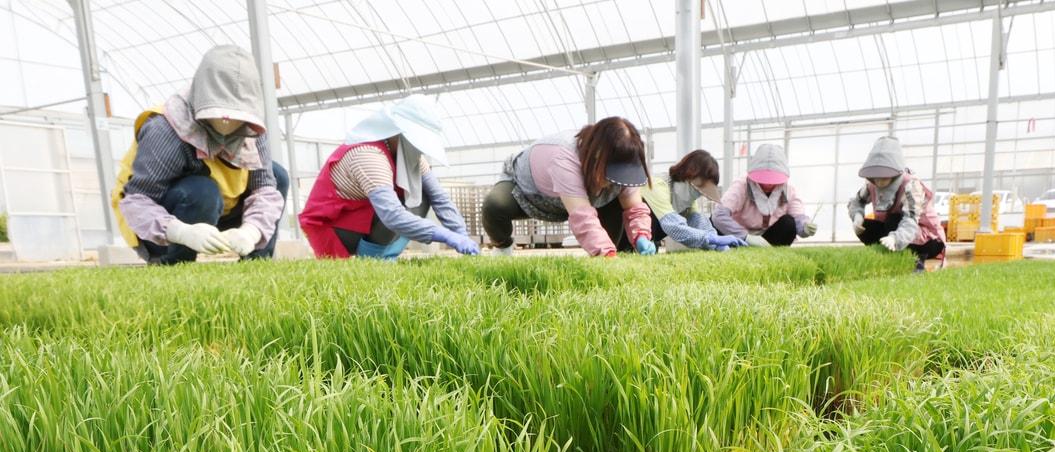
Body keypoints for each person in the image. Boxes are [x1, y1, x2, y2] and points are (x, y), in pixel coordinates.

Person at [111, 45, 287, 265]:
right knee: (201, 191)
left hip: (222, 208)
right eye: (218, 111)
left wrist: (251, 231)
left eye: (235, 114)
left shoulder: (251, 129)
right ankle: (174, 264)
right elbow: (137, 201)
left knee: (277, 175)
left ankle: (257, 263)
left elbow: (265, 190)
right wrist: (180, 231)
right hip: (166, 219)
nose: (226, 120)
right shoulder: (165, 129)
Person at [299, 95, 478, 259]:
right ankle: (373, 261)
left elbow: (439, 197)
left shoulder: (410, 158)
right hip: (336, 226)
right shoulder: (368, 155)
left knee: (422, 194)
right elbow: (392, 215)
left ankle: (385, 256)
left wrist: (461, 234)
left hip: (366, 218)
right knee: (396, 208)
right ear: (397, 132)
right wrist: (445, 235)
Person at [482, 117, 654, 257]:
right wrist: (604, 252)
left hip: (582, 200)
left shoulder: (625, 160)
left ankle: (607, 256)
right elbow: (582, 216)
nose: (616, 182)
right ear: (597, 155)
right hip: (529, 192)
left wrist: (642, 235)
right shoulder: (564, 156)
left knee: (614, 209)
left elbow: (634, 207)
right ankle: (502, 246)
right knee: (495, 204)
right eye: (612, 175)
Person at [846, 136, 947, 272]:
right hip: (893, 228)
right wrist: (857, 216)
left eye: (884, 177)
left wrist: (896, 238)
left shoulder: (911, 185)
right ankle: (887, 257)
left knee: (893, 220)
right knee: (866, 225)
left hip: (927, 238)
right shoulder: (871, 184)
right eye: (876, 177)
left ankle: (916, 263)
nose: (879, 182)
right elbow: (857, 201)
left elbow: (910, 220)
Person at [638, 149, 747, 252]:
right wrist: (712, 239)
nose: (698, 195)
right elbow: (674, 227)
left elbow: (699, 222)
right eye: (698, 190)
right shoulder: (657, 185)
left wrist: (718, 244)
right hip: (626, 238)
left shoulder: (688, 200)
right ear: (687, 176)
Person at [714, 144, 818, 247]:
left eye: (772, 179)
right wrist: (745, 236)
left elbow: (798, 217)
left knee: (789, 223)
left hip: (769, 239)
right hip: (738, 236)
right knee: (715, 224)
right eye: (763, 179)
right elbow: (719, 215)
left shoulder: (789, 190)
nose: (768, 184)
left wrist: (805, 226)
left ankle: (773, 252)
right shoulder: (741, 185)